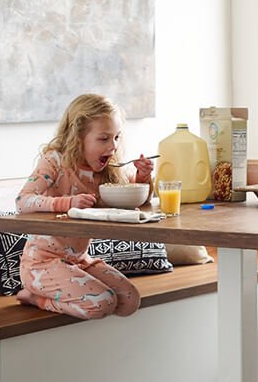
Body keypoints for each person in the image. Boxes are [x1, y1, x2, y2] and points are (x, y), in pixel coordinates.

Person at [15, 93, 154, 319]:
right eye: (104, 139)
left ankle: (52, 292)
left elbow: (136, 203)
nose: (113, 146)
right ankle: (36, 298)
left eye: (117, 137)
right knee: (102, 303)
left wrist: (142, 177)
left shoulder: (104, 171)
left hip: (79, 262)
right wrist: (67, 203)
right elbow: (23, 201)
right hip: (41, 264)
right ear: (78, 137)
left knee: (130, 301)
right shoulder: (55, 161)